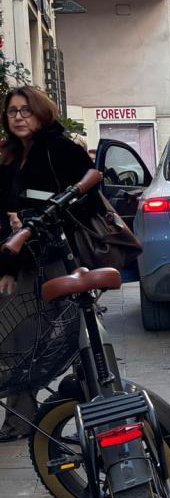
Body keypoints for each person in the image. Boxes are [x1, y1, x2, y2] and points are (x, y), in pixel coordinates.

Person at [0, 86, 102, 442]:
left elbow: (91, 201)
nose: (18, 117)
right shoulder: (9, 157)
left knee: (73, 334)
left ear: (41, 113)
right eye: (12, 111)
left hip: (64, 257)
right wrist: (8, 267)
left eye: (25, 110)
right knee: (20, 337)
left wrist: (40, 216)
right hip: (25, 261)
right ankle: (22, 421)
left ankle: (93, 405)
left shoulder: (60, 149)